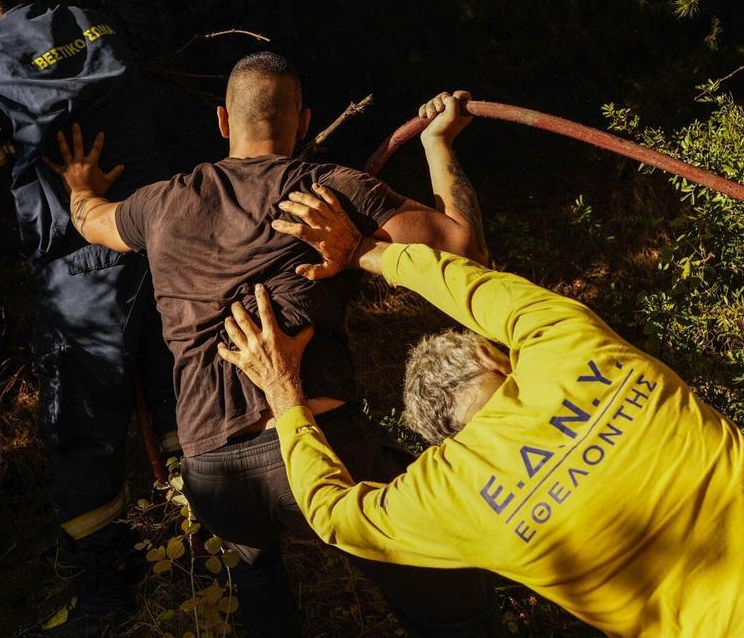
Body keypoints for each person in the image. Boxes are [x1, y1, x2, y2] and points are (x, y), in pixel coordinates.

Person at [214, 188, 744, 638]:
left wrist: (285, 395)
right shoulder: (565, 346)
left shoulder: (442, 498)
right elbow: (473, 282)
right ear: (493, 357)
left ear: (436, 434)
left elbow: (334, 515)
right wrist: (368, 254)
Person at [47, 51, 498, 637]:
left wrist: (79, 184)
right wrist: (438, 144)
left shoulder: (160, 205)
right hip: (319, 447)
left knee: (258, 580)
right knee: (445, 585)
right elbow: (466, 254)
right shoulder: (327, 189)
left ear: (222, 122)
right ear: (304, 122)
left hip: (210, 472)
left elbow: (92, 221)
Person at [0, 0, 179, 637]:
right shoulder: (87, 19)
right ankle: (217, 549)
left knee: (80, 427)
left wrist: (0, 236)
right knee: (182, 390)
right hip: (163, 234)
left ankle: (108, 593)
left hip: (79, 267)